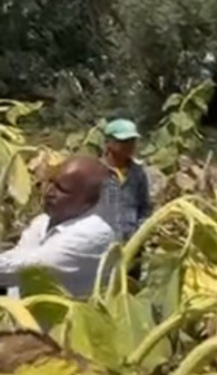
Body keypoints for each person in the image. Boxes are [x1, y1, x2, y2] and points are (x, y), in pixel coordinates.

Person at [0, 157, 115, 299]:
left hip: (60, 321)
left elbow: (30, 270)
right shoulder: (42, 221)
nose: (49, 192)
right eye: (51, 182)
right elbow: (14, 258)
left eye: (61, 189)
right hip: (17, 315)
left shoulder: (93, 233)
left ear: (89, 201)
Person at [97, 118, 152, 244]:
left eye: (133, 141)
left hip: (131, 242)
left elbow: (145, 206)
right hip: (100, 242)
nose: (130, 146)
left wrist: (141, 232)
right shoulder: (95, 170)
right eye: (124, 141)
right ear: (108, 143)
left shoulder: (138, 172)